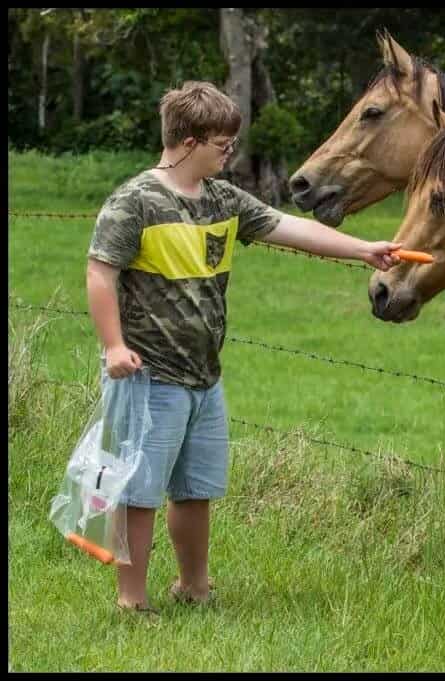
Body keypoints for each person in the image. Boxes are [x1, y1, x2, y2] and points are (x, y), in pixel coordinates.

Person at [85, 80, 401, 614]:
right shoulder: (135, 201)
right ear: (188, 141)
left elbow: (287, 227)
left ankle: (194, 586)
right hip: (148, 377)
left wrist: (363, 249)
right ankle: (130, 600)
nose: (230, 152)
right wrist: (114, 346)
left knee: (195, 489)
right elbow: (99, 273)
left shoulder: (222, 199)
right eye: (222, 144)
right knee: (137, 494)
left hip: (205, 378)